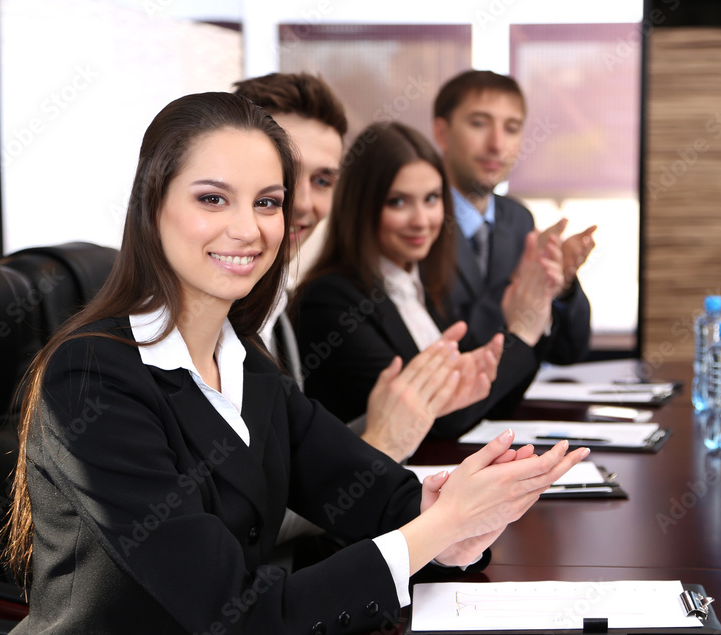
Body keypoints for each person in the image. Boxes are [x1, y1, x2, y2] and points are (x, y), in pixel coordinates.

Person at [0, 93, 587, 635]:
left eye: (267, 202)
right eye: (213, 199)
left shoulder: (245, 363)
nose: (249, 230)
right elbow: (239, 619)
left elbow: (377, 494)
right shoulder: (92, 378)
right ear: (152, 205)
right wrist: (440, 528)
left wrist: (452, 511)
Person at [233, 72, 502, 462]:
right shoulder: (321, 299)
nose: (305, 203)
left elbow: (291, 472)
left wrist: (394, 424)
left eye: (323, 180)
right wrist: (383, 443)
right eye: (285, 174)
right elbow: (246, 510)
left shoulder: (277, 316)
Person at [295, 122, 563, 438]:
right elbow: (436, 419)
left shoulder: (427, 286)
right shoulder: (331, 301)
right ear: (362, 207)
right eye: (398, 202)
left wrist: (535, 311)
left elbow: (489, 403)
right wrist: (522, 333)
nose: (421, 221)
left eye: (432, 199)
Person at [432, 69, 596, 365]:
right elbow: (448, 346)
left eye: (511, 128)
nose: (496, 144)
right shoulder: (420, 223)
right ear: (442, 133)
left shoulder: (518, 219)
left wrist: (561, 286)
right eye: (479, 124)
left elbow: (568, 353)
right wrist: (522, 282)